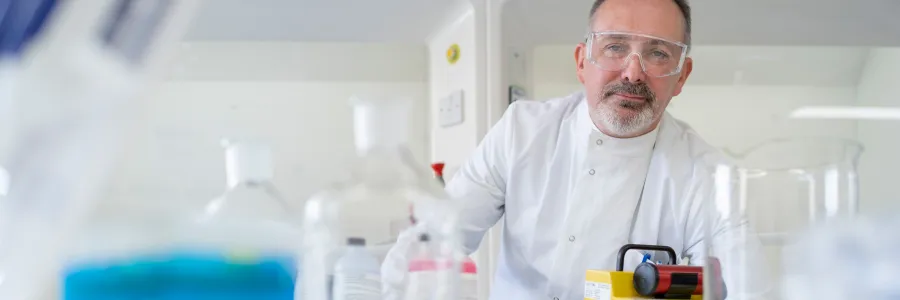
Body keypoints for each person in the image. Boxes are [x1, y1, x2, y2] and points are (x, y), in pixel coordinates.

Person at [384, 0, 766, 299]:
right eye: (615, 46)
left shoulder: (708, 175)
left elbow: (747, 288)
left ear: (681, 76)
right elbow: (432, 241)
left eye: (658, 53)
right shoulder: (522, 132)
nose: (633, 72)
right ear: (583, 62)